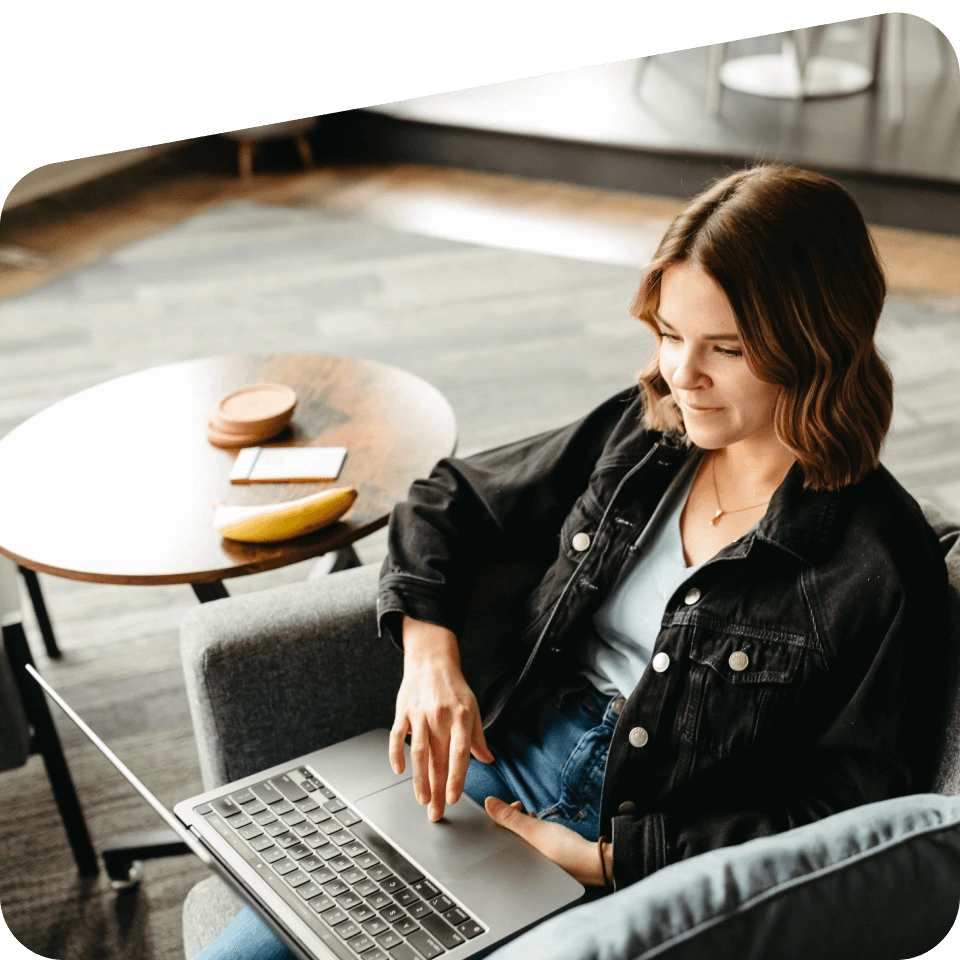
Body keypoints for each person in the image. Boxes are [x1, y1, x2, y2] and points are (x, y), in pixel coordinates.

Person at [192, 163, 950, 960]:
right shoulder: (648, 435)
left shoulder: (881, 561)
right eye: (667, 333)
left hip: (652, 864)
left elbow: (857, 818)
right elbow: (451, 498)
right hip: (504, 764)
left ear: (816, 342)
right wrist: (429, 655)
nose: (679, 376)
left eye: (724, 349)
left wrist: (610, 860)